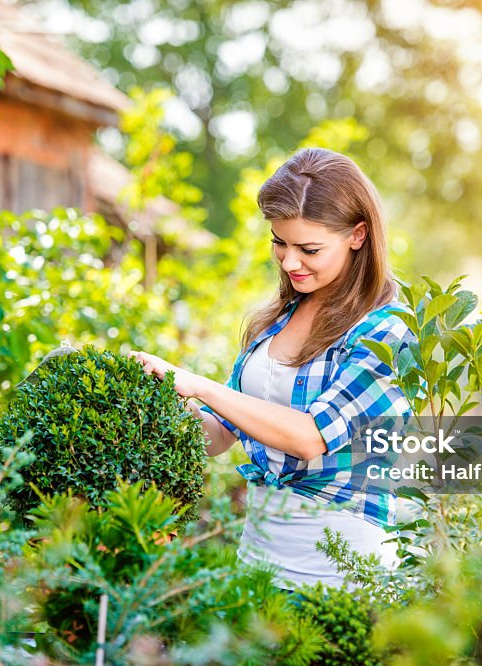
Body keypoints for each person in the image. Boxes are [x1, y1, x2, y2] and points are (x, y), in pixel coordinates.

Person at [129, 147, 415, 588]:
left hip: (339, 572)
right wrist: (152, 396)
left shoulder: (387, 330)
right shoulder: (276, 321)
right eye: (279, 242)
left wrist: (198, 384)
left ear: (358, 235)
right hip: (259, 560)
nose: (290, 261)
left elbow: (309, 437)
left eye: (309, 248)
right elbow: (220, 434)